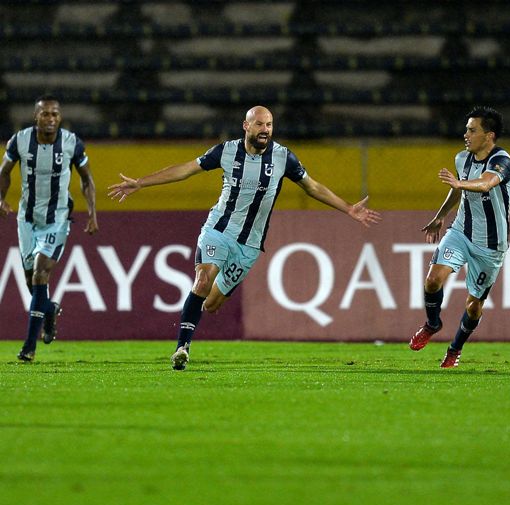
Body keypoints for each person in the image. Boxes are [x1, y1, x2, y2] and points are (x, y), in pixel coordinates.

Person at [108, 106, 380, 370]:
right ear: (246, 126)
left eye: (270, 125)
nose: (265, 130)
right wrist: (141, 182)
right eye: (260, 124)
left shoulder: (283, 157)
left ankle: (193, 311)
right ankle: (182, 348)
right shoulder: (226, 151)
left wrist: (347, 208)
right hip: (219, 229)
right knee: (203, 280)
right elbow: (186, 169)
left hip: (249, 244)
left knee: (212, 304)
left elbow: (312, 187)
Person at [408, 106, 510, 368]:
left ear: (488, 135)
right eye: (466, 129)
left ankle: (455, 349)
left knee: (473, 306)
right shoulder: (462, 159)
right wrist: (440, 215)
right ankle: (433, 323)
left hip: (491, 244)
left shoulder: (502, 160)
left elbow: (487, 183)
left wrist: (460, 184)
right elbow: (459, 190)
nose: (465, 134)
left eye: (472, 130)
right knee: (433, 280)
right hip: (461, 231)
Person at [0, 95, 99, 362]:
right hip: (27, 219)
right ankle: (50, 309)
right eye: (45, 114)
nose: (51, 119)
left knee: (41, 273)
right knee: (31, 281)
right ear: (36, 117)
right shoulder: (19, 140)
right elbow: (5, 171)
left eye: (55, 114)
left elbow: (87, 179)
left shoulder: (71, 143)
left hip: (58, 218)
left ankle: (29, 347)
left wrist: (92, 214)